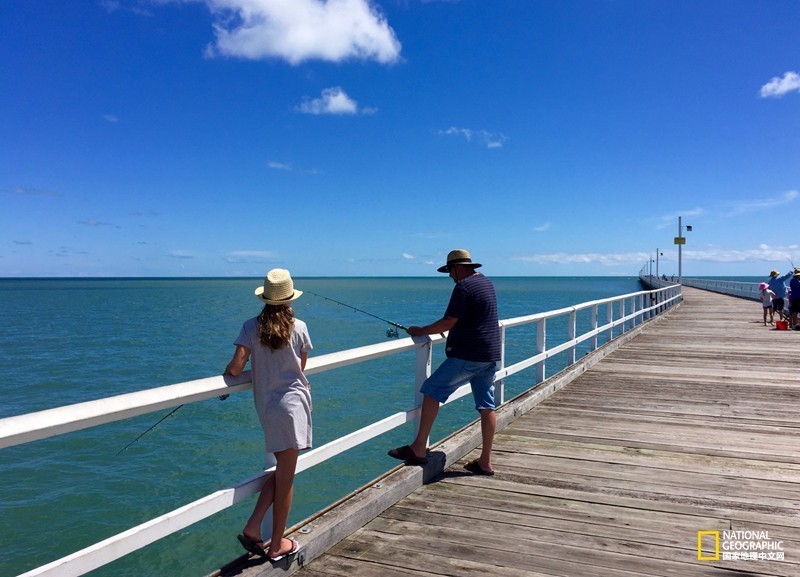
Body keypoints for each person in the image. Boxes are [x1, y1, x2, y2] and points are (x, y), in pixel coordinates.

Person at [388, 249, 501, 476]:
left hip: (468, 355)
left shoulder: (464, 287)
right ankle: (485, 460)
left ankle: (418, 448)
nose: (451, 276)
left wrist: (420, 330)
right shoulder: (485, 283)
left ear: (457, 268)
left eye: (450, 271)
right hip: (489, 354)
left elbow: (449, 321)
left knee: (431, 390)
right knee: (486, 405)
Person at [225, 269, 312, 561]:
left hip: (267, 408)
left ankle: (253, 527)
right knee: (287, 479)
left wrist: (226, 377)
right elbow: (301, 366)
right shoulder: (299, 327)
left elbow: (236, 368)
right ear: (289, 299)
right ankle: (276, 546)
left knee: (283, 471)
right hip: (293, 406)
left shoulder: (250, 327)